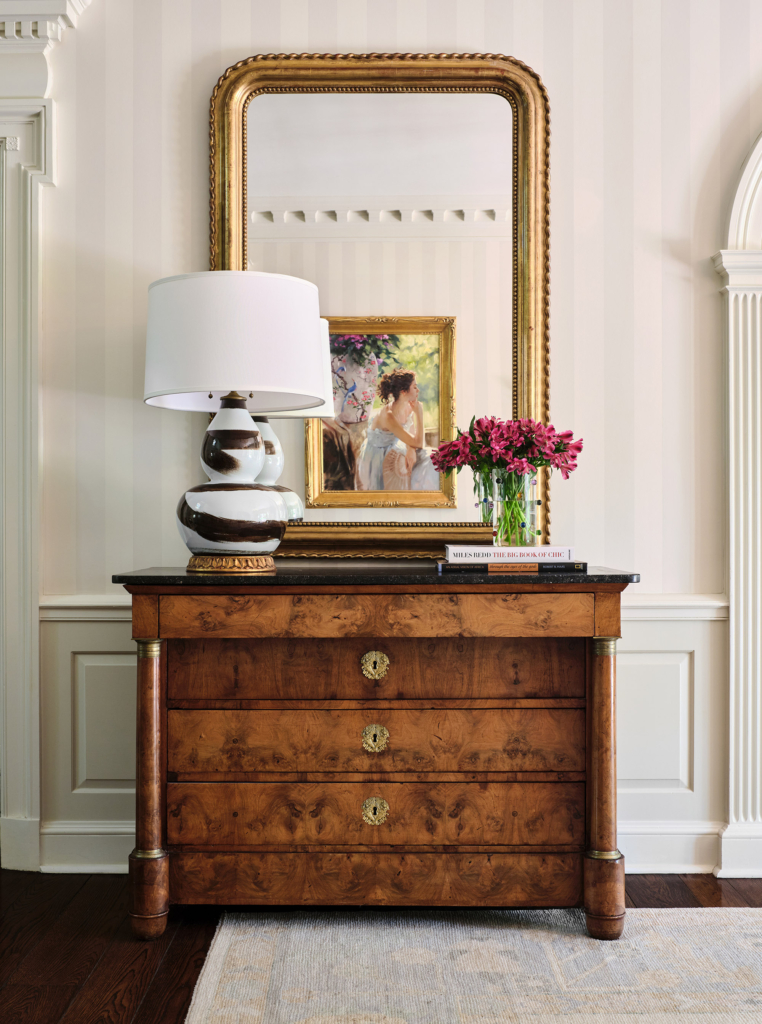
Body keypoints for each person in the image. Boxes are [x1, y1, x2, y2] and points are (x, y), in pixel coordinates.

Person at [356, 368, 439, 490]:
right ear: (403, 391)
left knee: (433, 458)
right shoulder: (388, 415)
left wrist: (411, 448)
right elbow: (419, 442)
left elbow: (413, 439)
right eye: (414, 387)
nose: (418, 390)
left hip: (396, 448)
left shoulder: (408, 406)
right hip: (378, 456)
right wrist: (419, 415)